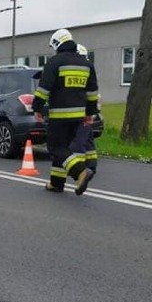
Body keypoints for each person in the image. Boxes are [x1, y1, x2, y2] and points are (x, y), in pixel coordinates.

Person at [33, 28, 100, 195]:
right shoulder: (86, 64)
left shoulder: (55, 62)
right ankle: (56, 183)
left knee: (56, 147)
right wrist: (90, 114)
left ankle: (80, 172)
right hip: (79, 117)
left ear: (57, 44)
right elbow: (92, 92)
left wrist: (37, 108)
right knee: (64, 149)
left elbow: (43, 89)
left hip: (60, 116)